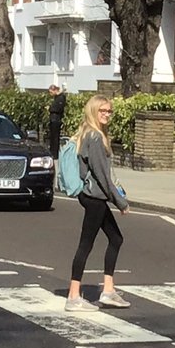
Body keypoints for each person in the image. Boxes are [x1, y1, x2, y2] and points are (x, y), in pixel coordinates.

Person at [65, 95, 131, 312]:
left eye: (109, 111)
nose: (107, 114)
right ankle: (73, 296)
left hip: (94, 196)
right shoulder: (94, 137)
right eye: (102, 110)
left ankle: (108, 291)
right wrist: (120, 202)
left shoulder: (93, 133)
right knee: (86, 244)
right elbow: (102, 175)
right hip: (94, 197)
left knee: (115, 238)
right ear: (93, 111)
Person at [47, 84, 66, 158]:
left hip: (56, 120)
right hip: (53, 119)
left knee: (55, 137)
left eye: (51, 92)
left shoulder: (61, 98)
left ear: (55, 90)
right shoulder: (56, 98)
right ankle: (52, 151)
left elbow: (58, 108)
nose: (50, 94)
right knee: (52, 137)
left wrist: (50, 108)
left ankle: (55, 153)